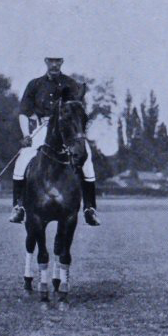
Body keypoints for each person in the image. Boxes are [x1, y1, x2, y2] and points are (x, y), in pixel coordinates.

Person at [9, 53, 100, 226]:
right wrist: (25, 135)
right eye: (51, 60)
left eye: (57, 60)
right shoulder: (35, 84)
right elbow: (24, 112)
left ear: (62, 62)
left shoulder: (71, 84)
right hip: (42, 128)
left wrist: (77, 131)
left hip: (66, 130)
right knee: (22, 159)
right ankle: (18, 207)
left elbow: (78, 110)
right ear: (45, 61)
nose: (54, 64)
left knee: (87, 159)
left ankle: (90, 208)